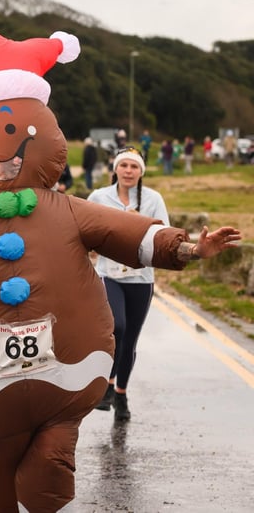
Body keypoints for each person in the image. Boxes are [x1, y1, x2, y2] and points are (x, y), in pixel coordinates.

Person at [0, 26, 241, 513]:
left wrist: (189, 249)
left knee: (51, 460)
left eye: (13, 131)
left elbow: (129, 232)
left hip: (66, 368)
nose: (1, 146)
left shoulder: (68, 209)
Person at [87, 147, 169, 421]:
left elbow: (164, 235)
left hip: (140, 278)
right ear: (115, 169)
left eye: (134, 167)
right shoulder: (99, 197)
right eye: (124, 166)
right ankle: (107, 386)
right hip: (109, 274)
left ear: (141, 171)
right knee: (116, 325)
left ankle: (120, 394)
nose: (129, 171)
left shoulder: (153, 199)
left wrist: (139, 223)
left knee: (130, 340)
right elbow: (84, 227)